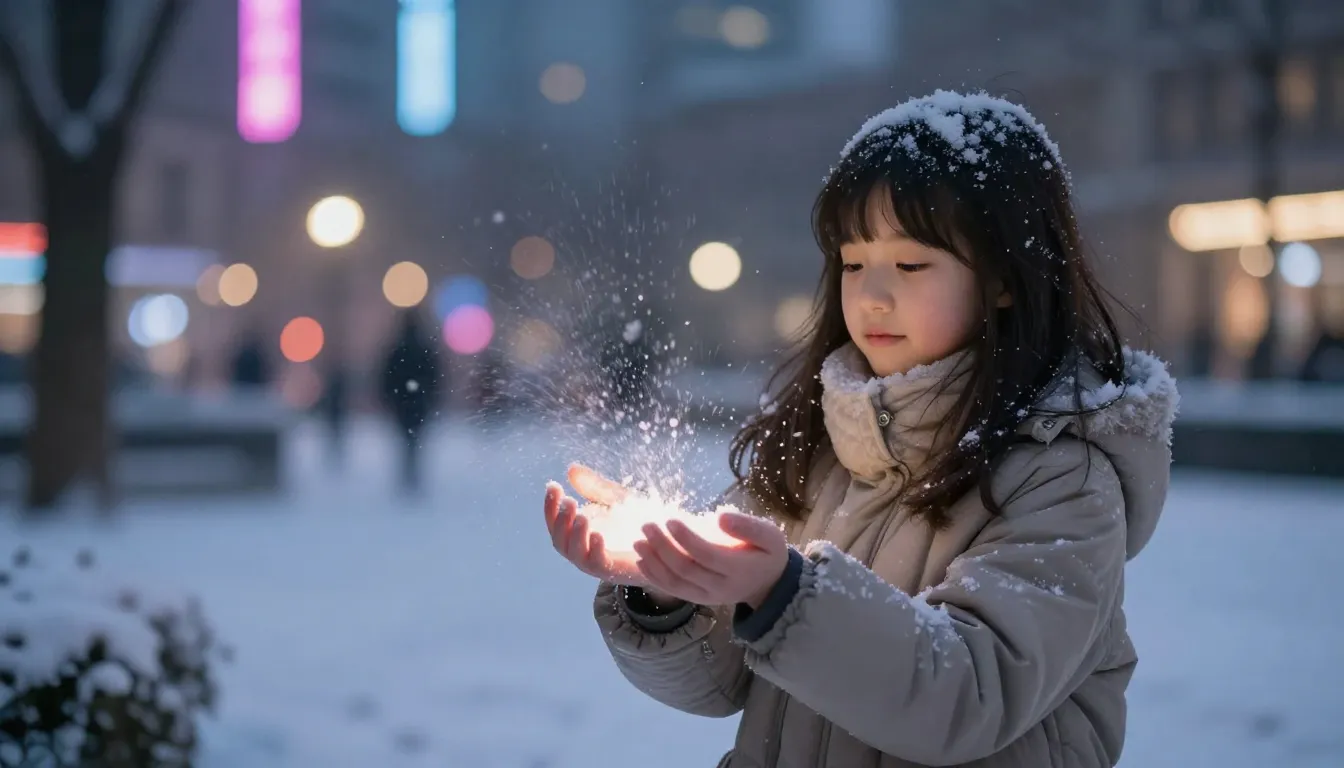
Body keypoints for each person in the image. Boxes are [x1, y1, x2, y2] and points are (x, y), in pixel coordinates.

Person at [542, 91, 1179, 767]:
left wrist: (782, 592)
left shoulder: (1063, 478)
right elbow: (718, 683)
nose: (872, 295)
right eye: (852, 263)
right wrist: (668, 586)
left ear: (1004, 278)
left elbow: (967, 694)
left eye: (910, 265)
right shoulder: (819, 445)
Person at [381, 311, 442, 492]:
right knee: (415, 439)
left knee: (406, 439)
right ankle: (413, 474)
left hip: (402, 402)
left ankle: (408, 474)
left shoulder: (397, 349)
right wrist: (431, 396)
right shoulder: (424, 349)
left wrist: (389, 397)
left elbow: (387, 377)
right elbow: (434, 376)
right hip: (419, 402)